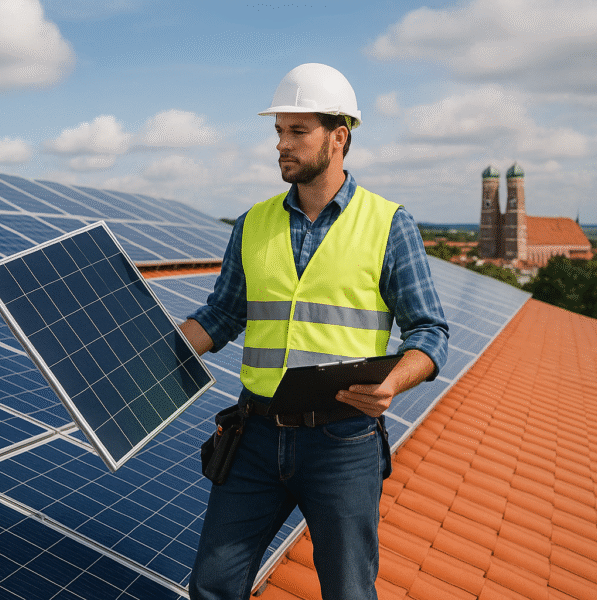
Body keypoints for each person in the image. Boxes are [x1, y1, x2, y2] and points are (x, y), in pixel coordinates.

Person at [181, 63, 449, 600]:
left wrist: (392, 385)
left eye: (298, 132)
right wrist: (152, 352)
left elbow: (430, 332)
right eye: (279, 131)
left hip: (343, 443)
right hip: (254, 435)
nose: (282, 144)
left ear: (338, 137)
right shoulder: (252, 223)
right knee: (212, 587)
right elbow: (222, 315)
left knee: (348, 592)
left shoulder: (389, 224)